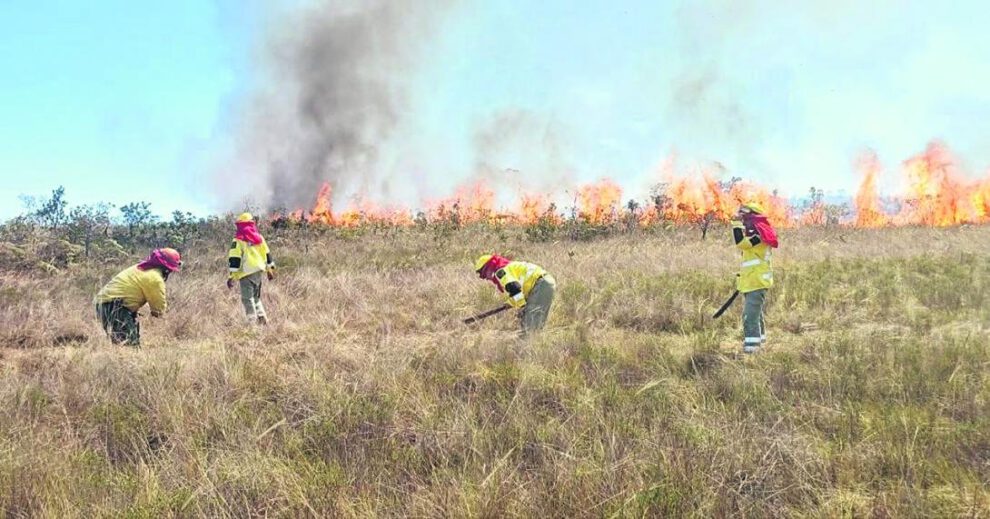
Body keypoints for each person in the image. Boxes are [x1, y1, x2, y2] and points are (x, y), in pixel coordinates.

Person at [94, 248, 182, 347]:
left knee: (123, 343)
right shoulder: (155, 279)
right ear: (167, 268)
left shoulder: (140, 268)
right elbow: (158, 310)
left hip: (106, 304)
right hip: (115, 307)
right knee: (130, 346)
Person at [731, 202, 778, 353]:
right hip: (751, 282)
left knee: (749, 316)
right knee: (755, 314)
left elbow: (742, 244)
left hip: (757, 282)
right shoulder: (759, 234)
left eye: (746, 218)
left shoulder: (759, 236)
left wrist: (736, 224)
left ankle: (752, 350)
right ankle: (760, 344)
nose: (745, 222)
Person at [474, 254, 556, 335]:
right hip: (543, 283)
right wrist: (510, 303)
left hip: (541, 284)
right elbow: (519, 290)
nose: (486, 278)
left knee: (531, 326)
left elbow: (515, 289)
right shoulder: (506, 268)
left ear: (489, 267)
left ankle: (528, 345)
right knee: (533, 323)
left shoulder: (500, 272)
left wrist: (521, 307)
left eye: (484, 274)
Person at [227, 213, 276, 324]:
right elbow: (267, 254)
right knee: (256, 298)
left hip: (246, 273)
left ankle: (252, 323)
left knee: (247, 299)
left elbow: (235, 260)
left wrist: (231, 277)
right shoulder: (259, 238)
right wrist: (270, 270)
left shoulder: (238, 240)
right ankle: (263, 320)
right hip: (258, 272)